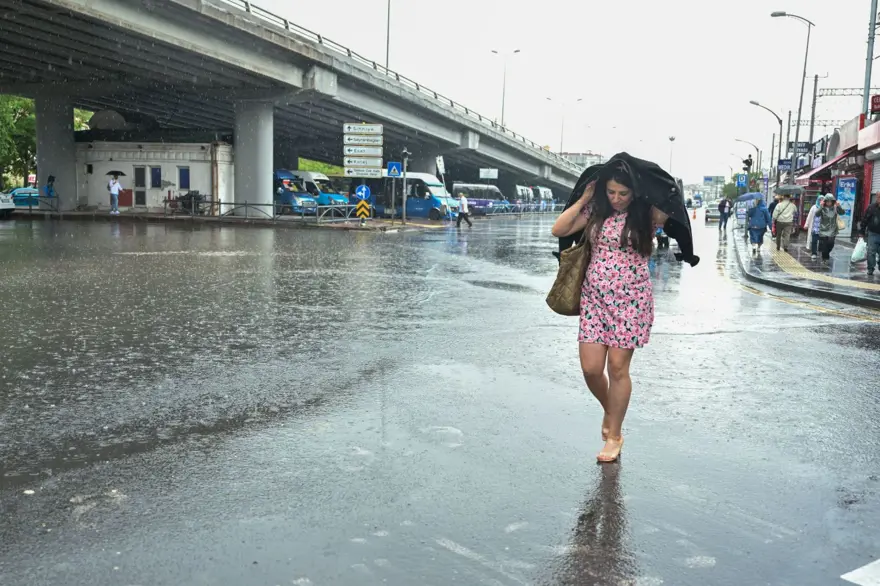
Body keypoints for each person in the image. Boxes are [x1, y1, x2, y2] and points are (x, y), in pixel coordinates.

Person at [551, 162, 669, 463]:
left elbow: (667, 208)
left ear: (634, 192)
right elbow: (559, 229)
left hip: (631, 300)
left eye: (623, 193)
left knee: (617, 368)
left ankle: (614, 435)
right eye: (611, 192)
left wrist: (655, 188)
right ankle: (611, 409)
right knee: (591, 369)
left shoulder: (647, 214)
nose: (616, 198)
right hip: (594, 299)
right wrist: (584, 198)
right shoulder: (596, 211)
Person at [817, 194, 845, 265]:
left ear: (832, 201)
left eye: (830, 201)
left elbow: (842, 212)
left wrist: (839, 206)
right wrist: (821, 206)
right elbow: (817, 214)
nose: (829, 203)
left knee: (831, 244)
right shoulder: (822, 208)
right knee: (824, 246)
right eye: (827, 201)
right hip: (823, 229)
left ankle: (826, 254)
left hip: (832, 229)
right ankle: (825, 258)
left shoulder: (835, 208)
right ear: (825, 201)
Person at [860, 192, 880, 276]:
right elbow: (865, 219)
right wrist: (862, 231)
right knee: (871, 252)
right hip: (873, 233)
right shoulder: (871, 207)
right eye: (879, 197)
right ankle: (870, 268)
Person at [803, 197, 824, 261]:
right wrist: (806, 225)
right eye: (820, 200)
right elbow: (809, 216)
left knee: (822, 242)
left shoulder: (825, 208)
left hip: (822, 228)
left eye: (822, 200)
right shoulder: (814, 207)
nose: (821, 201)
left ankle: (821, 252)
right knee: (814, 241)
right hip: (814, 227)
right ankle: (814, 253)